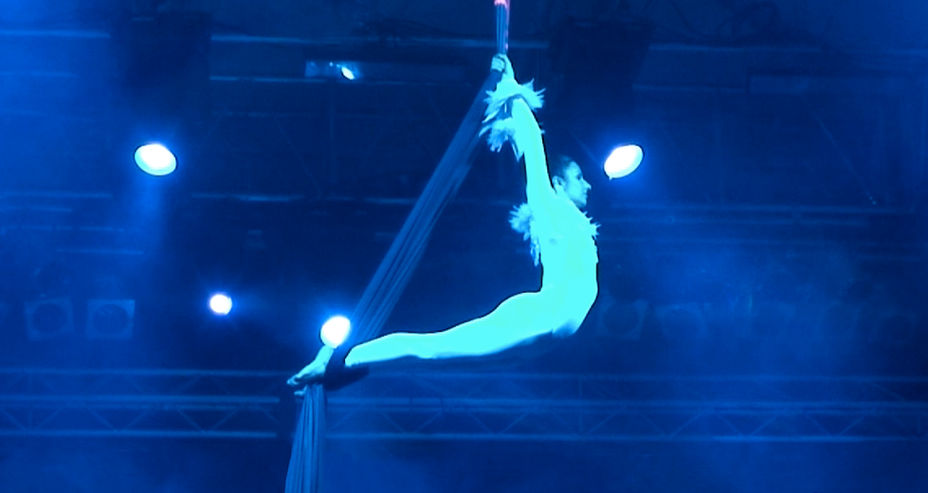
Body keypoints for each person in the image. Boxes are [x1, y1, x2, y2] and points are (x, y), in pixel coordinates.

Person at [287, 54, 599, 389]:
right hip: (539, 318)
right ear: (558, 183)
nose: (588, 185)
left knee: (439, 360)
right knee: (431, 351)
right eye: (578, 177)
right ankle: (335, 362)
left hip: (546, 335)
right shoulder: (549, 205)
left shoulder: (572, 222)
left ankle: (335, 372)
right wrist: (509, 84)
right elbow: (532, 144)